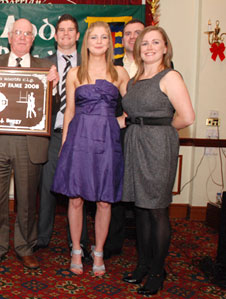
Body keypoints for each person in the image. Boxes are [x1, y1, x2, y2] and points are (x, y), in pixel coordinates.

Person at [51, 21, 129, 276]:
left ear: (109, 42)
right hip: (79, 139)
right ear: (86, 42)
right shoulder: (74, 73)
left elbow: (132, 108)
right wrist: (64, 146)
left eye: (103, 37)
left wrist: (118, 121)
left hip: (107, 141)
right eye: (93, 37)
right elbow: (70, 111)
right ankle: (75, 249)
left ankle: (98, 252)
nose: (98, 41)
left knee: (105, 201)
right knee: (75, 199)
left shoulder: (120, 73)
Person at [121, 26, 194, 295]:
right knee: (140, 209)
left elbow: (186, 117)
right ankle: (142, 264)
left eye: (155, 42)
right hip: (135, 143)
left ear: (165, 47)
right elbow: (129, 116)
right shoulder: (134, 79)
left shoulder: (170, 76)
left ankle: (157, 271)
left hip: (158, 145)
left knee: (157, 210)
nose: (149, 47)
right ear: (138, 49)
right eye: (144, 43)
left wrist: (160, 129)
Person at [0, 18, 58, 269]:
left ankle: (25, 246)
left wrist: (53, 89)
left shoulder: (46, 67)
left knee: (27, 201)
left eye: (27, 34)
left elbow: (53, 109)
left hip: (30, 142)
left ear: (33, 39)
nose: (22, 37)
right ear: (9, 37)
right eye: (18, 33)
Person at [36, 14, 91, 259]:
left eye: (71, 30)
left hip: (82, 136)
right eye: (62, 30)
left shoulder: (90, 64)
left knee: (80, 190)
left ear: (78, 36)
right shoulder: (42, 64)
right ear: (55, 35)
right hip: (51, 135)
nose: (66, 34)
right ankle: (42, 238)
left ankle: (77, 242)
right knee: (47, 187)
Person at [104, 18, 145, 260]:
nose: (131, 37)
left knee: (143, 194)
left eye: (137, 33)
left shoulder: (156, 67)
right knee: (114, 190)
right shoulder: (113, 67)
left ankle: (146, 248)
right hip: (116, 137)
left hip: (143, 138)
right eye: (127, 33)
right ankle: (112, 244)